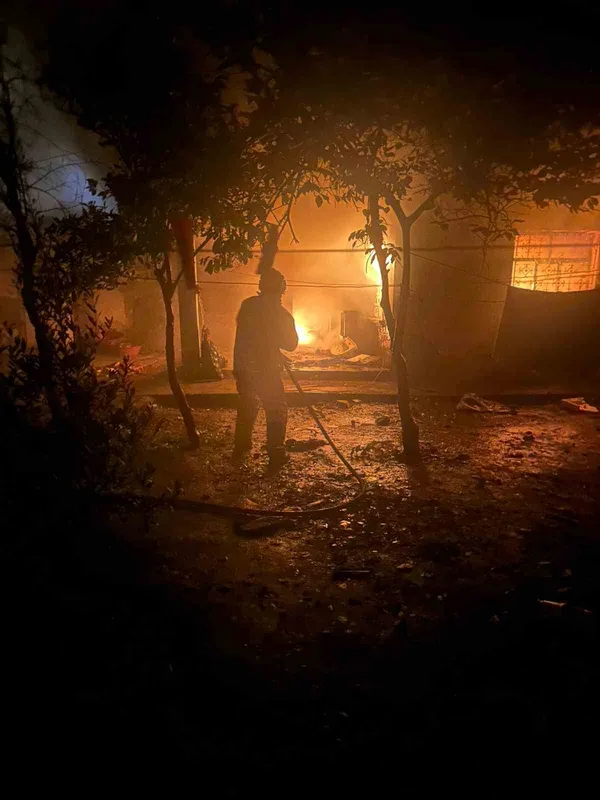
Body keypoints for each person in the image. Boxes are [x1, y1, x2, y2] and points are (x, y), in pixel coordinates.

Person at [232, 268, 298, 470]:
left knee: (247, 404)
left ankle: (241, 446)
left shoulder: (248, 305)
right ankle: (276, 452)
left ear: (261, 286)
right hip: (266, 370)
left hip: (243, 366)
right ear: (282, 289)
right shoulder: (282, 315)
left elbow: (249, 335)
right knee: (276, 407)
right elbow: (291, 344)